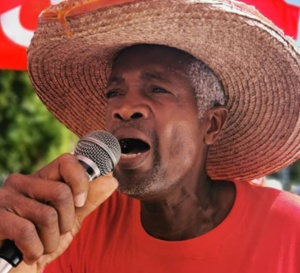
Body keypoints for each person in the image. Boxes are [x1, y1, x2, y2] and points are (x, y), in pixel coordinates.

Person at [1, 0, 300, 272]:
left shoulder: (290, 231)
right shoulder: (73, 226)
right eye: (114, 92)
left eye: (157, 89)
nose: (124, 108)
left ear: (211, 125)